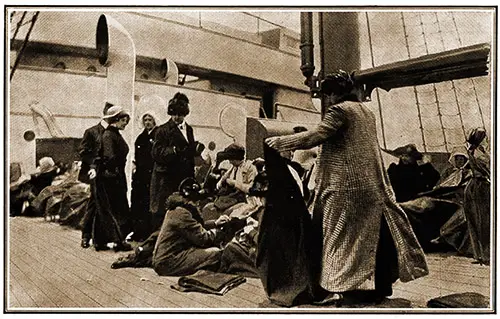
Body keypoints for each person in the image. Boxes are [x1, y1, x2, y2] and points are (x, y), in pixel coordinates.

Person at [265, 70, 428, 304]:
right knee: (372, 241)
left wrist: (279, 141)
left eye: (327, 94)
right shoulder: (366, 112)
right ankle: (377, 289)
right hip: (372, 187)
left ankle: (345, 289)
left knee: (341, 242)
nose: (327, 99)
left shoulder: (339, 111)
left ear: (333, 93)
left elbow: (317, 135)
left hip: (346, 192)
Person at [152, 178, 230, 276]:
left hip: (167, 258)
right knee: (216, 253)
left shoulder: (176, 209)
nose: (197, 204)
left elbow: (193, 227)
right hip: (169, 262)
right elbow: (203, 238)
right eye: (195, 201)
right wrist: (218, 232)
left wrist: (215, 223)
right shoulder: (182, 213)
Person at [150, 92, 203, 231]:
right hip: (167, 178)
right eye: (173, 114)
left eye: (179, 114)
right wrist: (174, 150)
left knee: (184, 210)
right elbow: (156, 153)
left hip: (184, 176)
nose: (176, 118)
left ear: (185, 114)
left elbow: (188, 151)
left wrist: (195, 149)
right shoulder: (162, 130)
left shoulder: (189, 129)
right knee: (164, 212)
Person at [92, 105, 132, 252]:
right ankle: (118, 241)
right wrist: (115, 171)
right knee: (116, 209)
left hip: (110, 175)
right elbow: (109, 157)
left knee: (105, 208)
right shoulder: (109, 135)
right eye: (123, 120)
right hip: (111, 177)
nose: (125, 123)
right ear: (115, 120)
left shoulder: (112, 134)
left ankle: (100, 241)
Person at [78, 102, 113, 248]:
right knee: (94, 203)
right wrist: (94, 165)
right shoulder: (92, 131)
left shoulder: (114, 133)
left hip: (107, 175)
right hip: (94, 174)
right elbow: (84, 152)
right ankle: (86, 236)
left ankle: (100, 237)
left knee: (103, 204)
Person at [202, 143, 258, 220]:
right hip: (230, 198)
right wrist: (223, 180)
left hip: (244, 199)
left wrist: (234, 183)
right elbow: (218, 186)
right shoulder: (232, 168)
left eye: (231, 159)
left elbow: (252, 189)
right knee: (208, 209)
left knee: (228, 214)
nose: (230, 162)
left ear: (236, 158)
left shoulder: (250, 168)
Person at [464, 127, 490, 265]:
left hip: (473, 187)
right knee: (484, 221)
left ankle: (479, 254)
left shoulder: (472, 152)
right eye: (485, 138)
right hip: (481, 188)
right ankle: (486, 255)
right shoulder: (482, 156)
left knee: (475, 221)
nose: (488, 140)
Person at [130, 111, 158, 241]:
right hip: (140, 176)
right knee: (138, 204)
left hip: (151, 175)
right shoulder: (140, 138)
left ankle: (147, 233)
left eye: (150, 120)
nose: (147, 122)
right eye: (145, 120)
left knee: (148, 205)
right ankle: (137, 231)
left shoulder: (158, 136)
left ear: (154, 121)